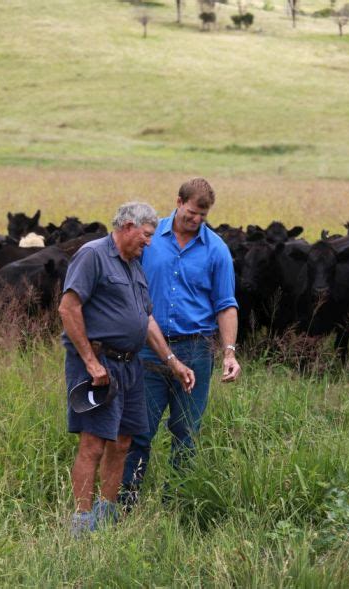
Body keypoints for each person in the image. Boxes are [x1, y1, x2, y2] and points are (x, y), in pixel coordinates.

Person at [58, 202, 195, 536]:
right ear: (128, 225)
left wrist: (173, 362)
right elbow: (68, 307)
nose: (149, 242)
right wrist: (90, 362)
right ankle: (80, 526)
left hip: (132, 366)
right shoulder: (93, 256)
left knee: (123, 442)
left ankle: (105, 519)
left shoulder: (135, 264)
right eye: (146, 235)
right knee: (93, 444)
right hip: (100, 365)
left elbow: (146, 320)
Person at [122, 178, 241, 501]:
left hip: (196, 349)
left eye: (202, 215)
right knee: (139, 430)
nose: (196, 220)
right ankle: (126, 501)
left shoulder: (216, 249)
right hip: (149, 348)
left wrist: (229, 352)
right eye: (191, 212)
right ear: (178, 202)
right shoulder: (149, 240)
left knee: (186, 432)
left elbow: (226, 305)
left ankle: (176, 505)